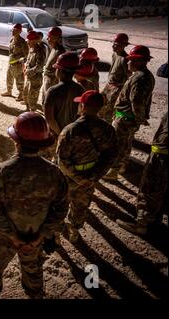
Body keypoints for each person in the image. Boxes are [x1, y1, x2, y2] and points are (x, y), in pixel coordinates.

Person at [0, 112, 68, 299]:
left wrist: (12, 235)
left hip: (2, 239)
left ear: (16, 141)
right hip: (35, 238)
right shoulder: (55, 174)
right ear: (44, 144)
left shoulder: (3, 173)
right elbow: (60, 209)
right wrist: (42, 235)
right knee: (33, 276)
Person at [56, 90, 118, 243]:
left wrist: (77, 178)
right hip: (89, 176)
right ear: (101, 107)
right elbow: (110, 156)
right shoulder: (108, 129)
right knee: (80, 206)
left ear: (82, 106)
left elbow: (62, 160)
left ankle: (56, 234)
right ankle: (74, 231)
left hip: (66, 177)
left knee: (58, 206)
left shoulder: (70, 130)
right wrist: (94, 176)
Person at [104, 45, 155, 180]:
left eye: (131, 60)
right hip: (129, 118)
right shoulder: (146, 76)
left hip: (125, 118)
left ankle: (113, 171)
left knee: (118, 144)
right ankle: (121, 166)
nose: (128, 62)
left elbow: (136, 102)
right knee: (126, 143)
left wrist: (139, 118)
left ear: (139, 61)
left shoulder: (139, 79)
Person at [116, 112, 167, 235]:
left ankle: (141, 223)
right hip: (163, 153)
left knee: (150, 187)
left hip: (162, 154)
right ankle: (155, 219)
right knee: (163, 187)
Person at [100, 33, 130, 123]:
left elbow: (128, 77)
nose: (113, 46)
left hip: (117, 88)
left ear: (124, 45)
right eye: (114, 43)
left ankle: (110, 127)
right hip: (109, 85)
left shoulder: (125, 59)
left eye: (116, 45)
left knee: (112, 110)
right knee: (102, 105)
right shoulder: (114, 54)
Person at [37, 27, 65, 107]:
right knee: (44, 98)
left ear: (56, 38)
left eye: (50, 37)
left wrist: (50, 77)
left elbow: (60, 71)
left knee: (49, 101)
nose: (48, 39)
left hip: (52, 81)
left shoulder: (60, 52)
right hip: (47, 79)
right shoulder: (54, 49)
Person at [1, 23, 28, 101]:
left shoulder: (22, 42)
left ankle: (21, 94)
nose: (13, 32)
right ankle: (9, 91)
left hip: (18, 65)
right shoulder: (12, 39)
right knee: (9, 77)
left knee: (19, 79)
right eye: (12, 30)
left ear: (19, 31)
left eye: (15, 30)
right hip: (11, 62)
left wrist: (21, 61)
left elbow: (26, 55)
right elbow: (10, 52)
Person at [23, 31, 46, 111]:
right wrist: (26, 65)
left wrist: (29, 71)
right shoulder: (31, 48)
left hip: (36, 78)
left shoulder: (40, 51)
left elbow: (39, 66)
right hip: (29, 77)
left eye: (29, 40)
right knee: (25, 94)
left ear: (34, 41)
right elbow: (29, 60)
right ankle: (27, 109)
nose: (27, 42)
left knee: (32, 98)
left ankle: (32, 113)